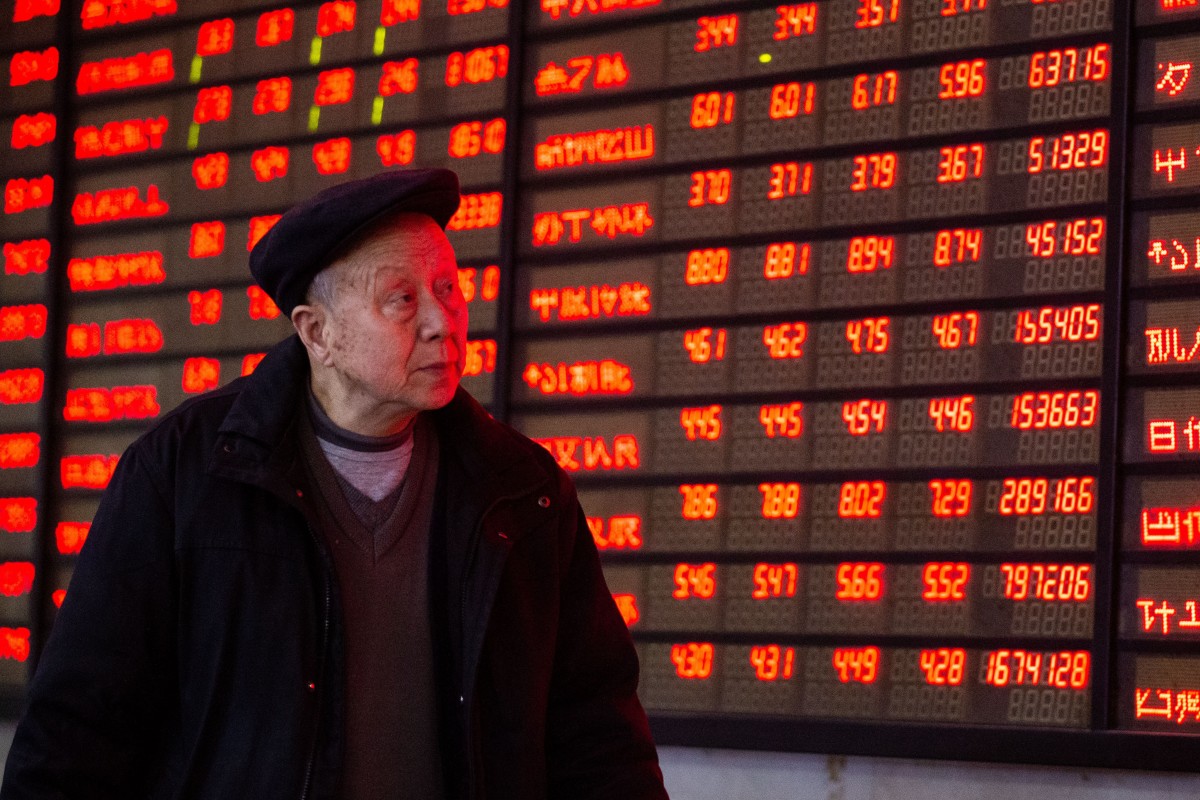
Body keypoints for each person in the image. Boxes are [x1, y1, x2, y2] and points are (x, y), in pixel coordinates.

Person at [1, 169, 668, 799]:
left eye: (447, 288)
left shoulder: (524, 494)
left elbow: (597, 734)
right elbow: (78, 733)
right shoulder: (180, 477)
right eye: (402, 300)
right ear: (317, 333)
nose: (442, 322)